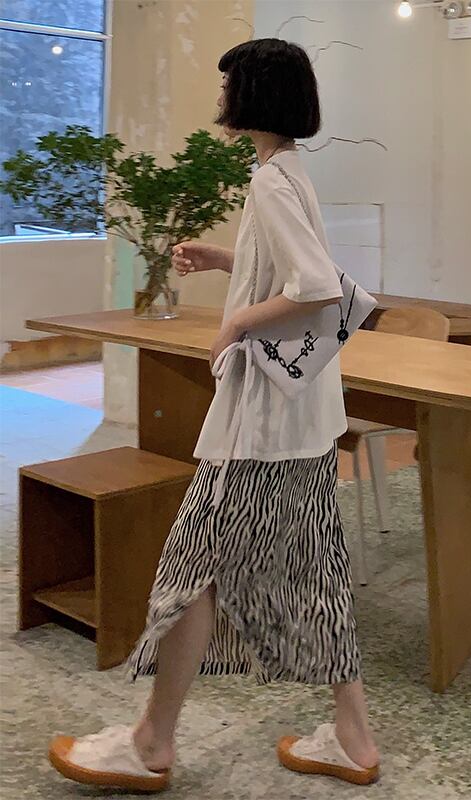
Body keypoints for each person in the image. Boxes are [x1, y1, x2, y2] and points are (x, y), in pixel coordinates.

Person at [48, 38, 380, 793]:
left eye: (230, 84)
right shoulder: (288, 170)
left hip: (262, 427)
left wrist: (233, 324)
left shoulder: (269, 181)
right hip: (302, 422)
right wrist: (230, 261)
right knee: (314, 573)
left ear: (252, 96)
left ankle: (150, 744)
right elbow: (300, 271)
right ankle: (353, 736)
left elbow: (317, 287)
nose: (222, 96)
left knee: (192, 566)